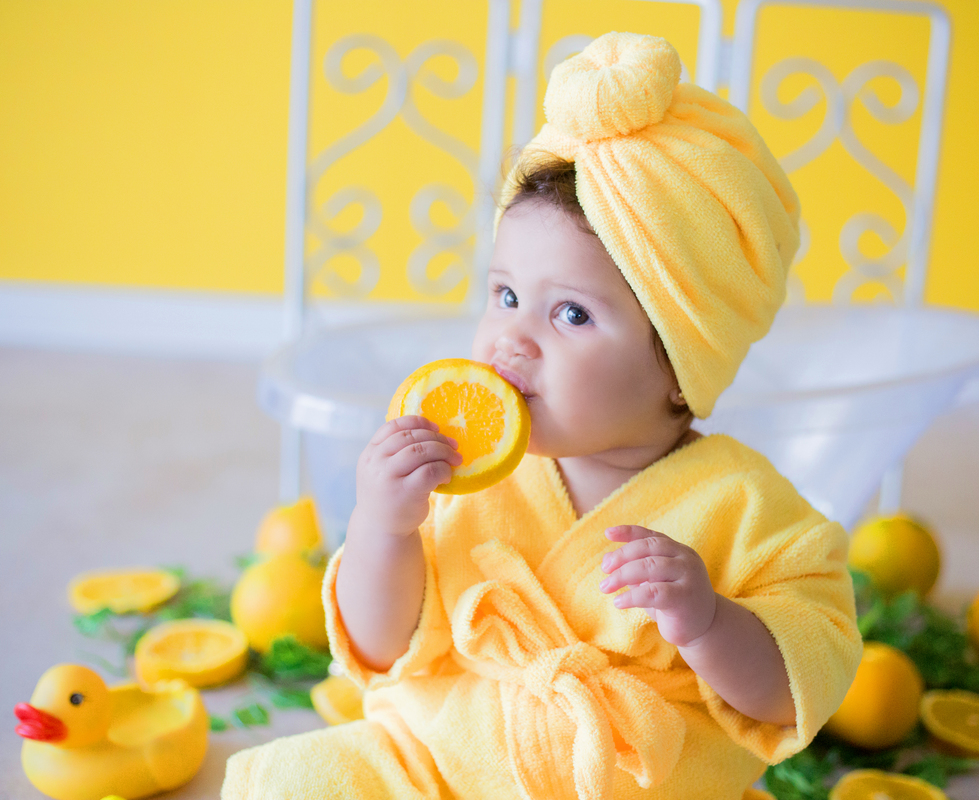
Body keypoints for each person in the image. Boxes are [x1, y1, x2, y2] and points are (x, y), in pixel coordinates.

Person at [222, 32, 860, 800]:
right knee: (311, 782)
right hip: (439, 767)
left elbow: (795, 689)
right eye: (505, 295)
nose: (514, 337)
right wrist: (381, 527)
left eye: (571, 314)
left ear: (682, 368)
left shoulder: (746, 507)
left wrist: (709, 622)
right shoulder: (454, 467)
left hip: (628, 783)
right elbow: (378, 645)